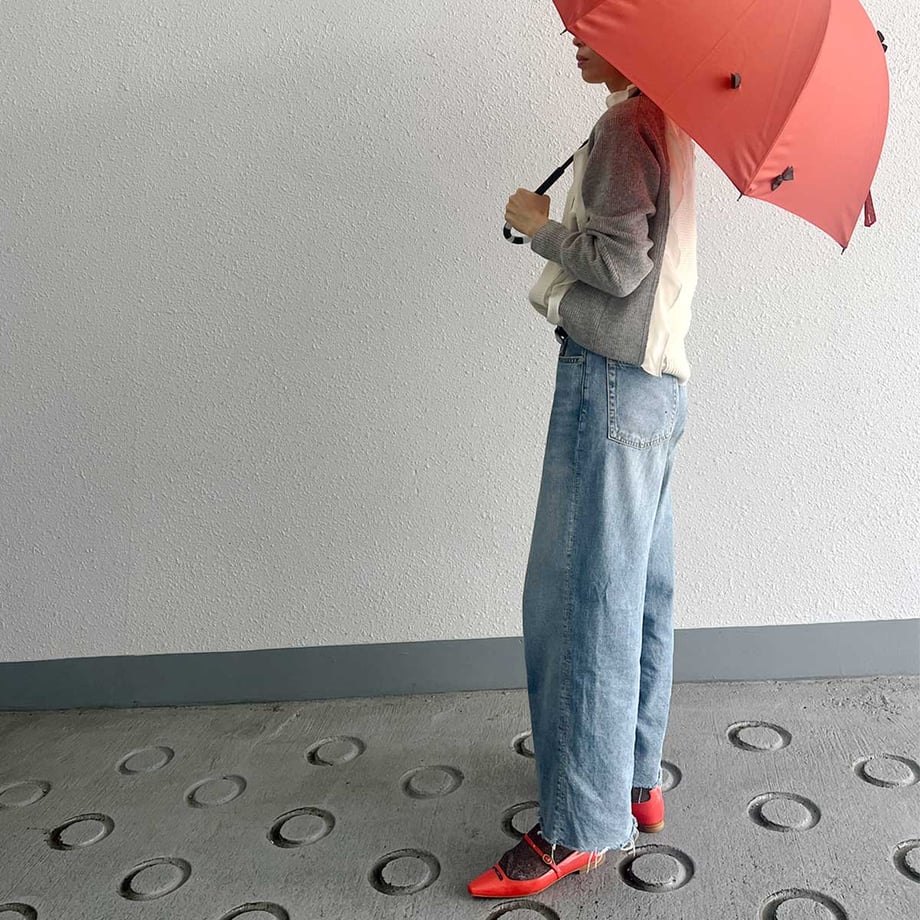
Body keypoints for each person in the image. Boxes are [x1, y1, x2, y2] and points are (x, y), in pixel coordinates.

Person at [469, 31, 698, 899]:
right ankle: (635, 781)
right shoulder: (667, 122)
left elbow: (618, 265)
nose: (572, 35)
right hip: (657, 391)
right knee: (638, 591)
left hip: (606, 382)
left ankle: (575, 824)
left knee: (578, 603)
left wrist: (540, 229)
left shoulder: (625, 128)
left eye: (590, 23)